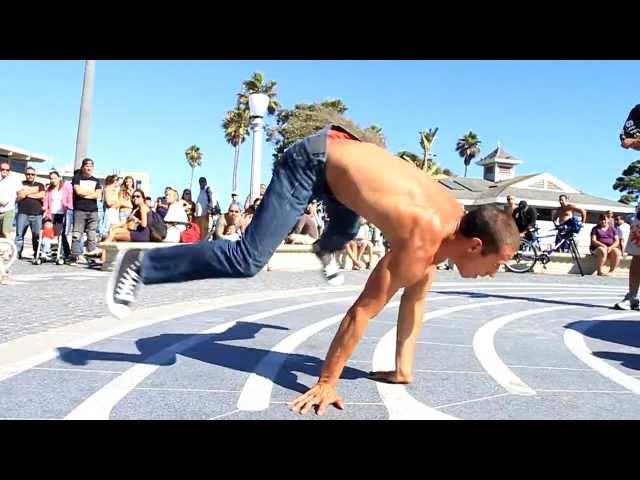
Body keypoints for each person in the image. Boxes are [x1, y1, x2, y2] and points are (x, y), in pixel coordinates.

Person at [106, 124, 520, 416]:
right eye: (494, 266)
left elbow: (417, 294)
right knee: (247, 260)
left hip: (342, 160)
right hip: (309, 163)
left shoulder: (454, 219)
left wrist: (402, 368)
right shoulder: (422, 239)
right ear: (475, 245)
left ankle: (329, 246)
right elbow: (361, 312)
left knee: (350, 234)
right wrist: (326, 380)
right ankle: (143, 264)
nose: (491, 276)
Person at [70, 158, 103, 263]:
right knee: (77, 234)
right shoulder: (77, 178)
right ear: (83, 167)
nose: (89, 168)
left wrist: (86, 194)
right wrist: (90, 193)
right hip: (80, 210)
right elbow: (78, 191)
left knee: (92, 235)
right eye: (87, 166)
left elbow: (97, 195)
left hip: (93, 211)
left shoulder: (96, 180)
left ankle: (91, 255)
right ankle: (76, 255)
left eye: (91, 166)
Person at [15, 166, 45, 260]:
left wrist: (27, 193)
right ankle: (17, 254)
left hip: (37, 214)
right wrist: (33, 193)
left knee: (36, 236)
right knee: (19, 235)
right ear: (25, 175)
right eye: (28, 174)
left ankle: (36, 254)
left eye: (32, 174)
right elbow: (19, 196)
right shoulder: (20, 184)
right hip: (23, 213)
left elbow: (42, 195)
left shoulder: (40, 184)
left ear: (35, 175)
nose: (30, 176)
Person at [43, 170, 73, 259]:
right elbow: (45, 201)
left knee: (61, 234)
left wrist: (68, 209)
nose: (53, 180)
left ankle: (66, 252)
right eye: (51, 179)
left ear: (59, 178)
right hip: (51, 213)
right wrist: (45, 210)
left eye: (55, 178)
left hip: (62, 214)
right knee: (47, 231)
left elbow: (70, 200)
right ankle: (46, 251)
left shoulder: (66, 188)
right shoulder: (49, 189)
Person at [0, 160, 24, 240]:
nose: (4, 171)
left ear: (9, 171)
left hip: (8, 210)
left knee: (6, 231)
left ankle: (9, 250)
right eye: (2, 169)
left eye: (7, 170)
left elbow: (21, 194)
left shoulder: (14, 180)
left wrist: (15, 200)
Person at [194, 177, 217, 241]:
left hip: (206, 215)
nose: (201, 183)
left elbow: (213, 201)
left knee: (205, 235)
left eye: (203, 181)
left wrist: (209, 212)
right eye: (200, 182)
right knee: (199, 235)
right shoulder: (201, 191)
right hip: (199, 217)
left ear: (206, 182)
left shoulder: (208, 189)